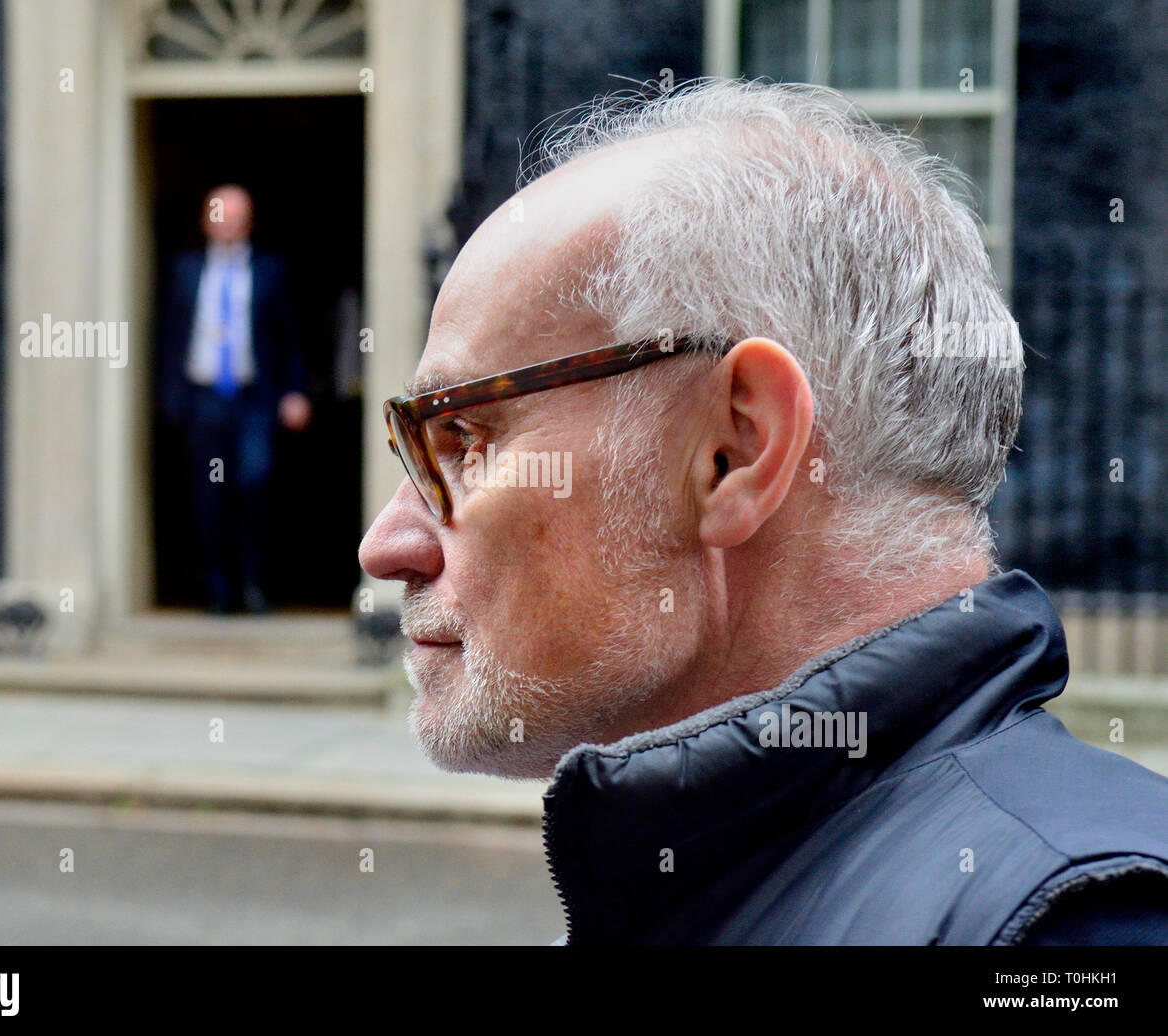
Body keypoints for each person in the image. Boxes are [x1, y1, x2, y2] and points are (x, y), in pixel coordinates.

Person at [357, 79, 1168, 945]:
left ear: (734, 450)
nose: (388, 543)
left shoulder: (1077, 925)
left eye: (466, 438)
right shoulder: (720, 871)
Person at [159, 184, 312, 613]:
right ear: (206, 221)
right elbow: (169, 335)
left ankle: (254, 583)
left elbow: (289, 337)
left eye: (237, 216)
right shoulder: (184, 271)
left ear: (249, 222)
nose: (229, 224)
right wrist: (170, 396)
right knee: (211, 491)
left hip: (255, 400)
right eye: (221, 215)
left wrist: (295, 390)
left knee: (254, 483)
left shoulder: (269, 271)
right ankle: (218, 588)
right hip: (204, 400)